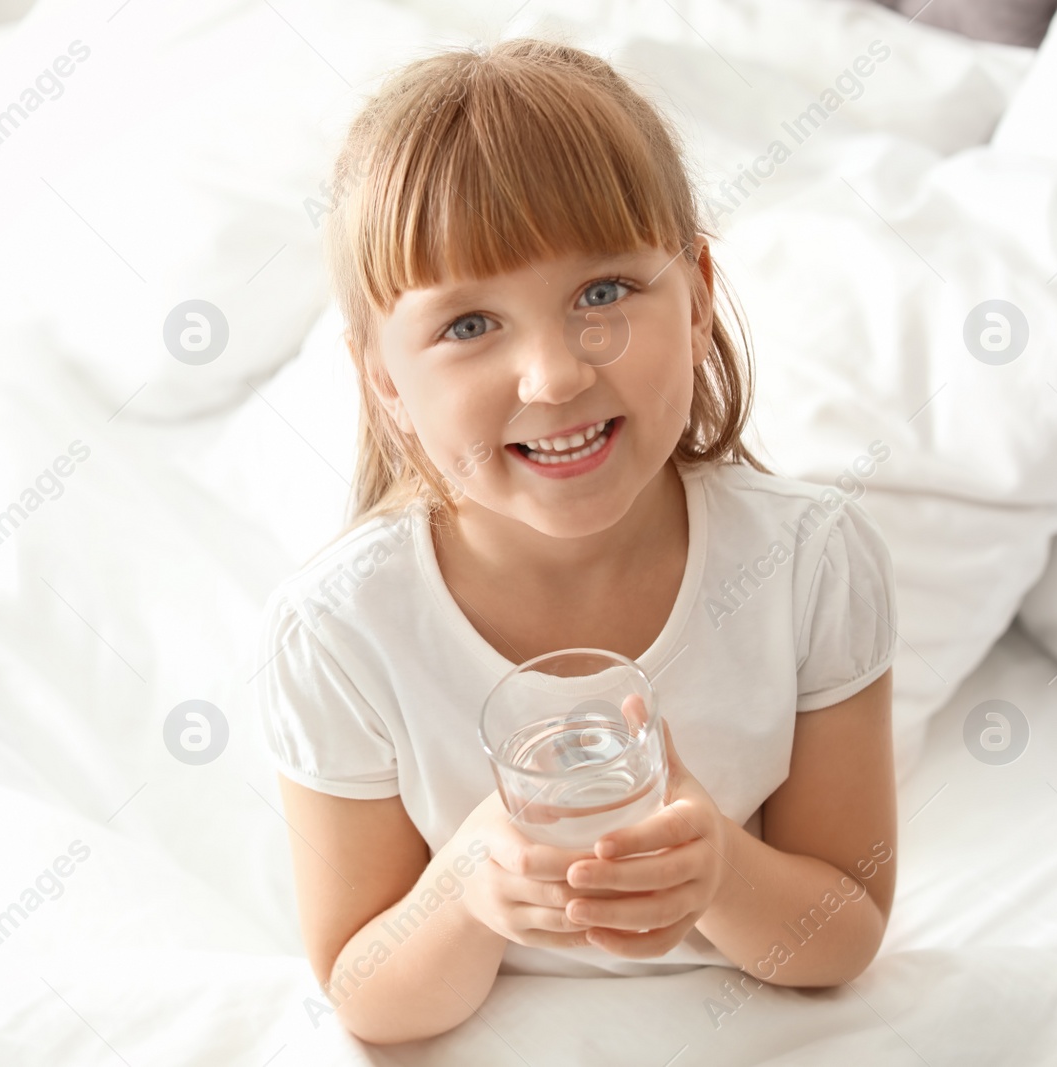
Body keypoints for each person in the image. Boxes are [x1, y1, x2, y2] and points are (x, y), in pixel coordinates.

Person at [256, 37, 898, 1045]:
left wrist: (720, 870)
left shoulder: (810, 563)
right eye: (469, 324)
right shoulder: (339, 633)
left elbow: (842, 938)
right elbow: (368, 995)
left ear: (693, 296)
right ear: (383, 377)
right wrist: (470, 881)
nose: (552, 376)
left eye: (602, 293)